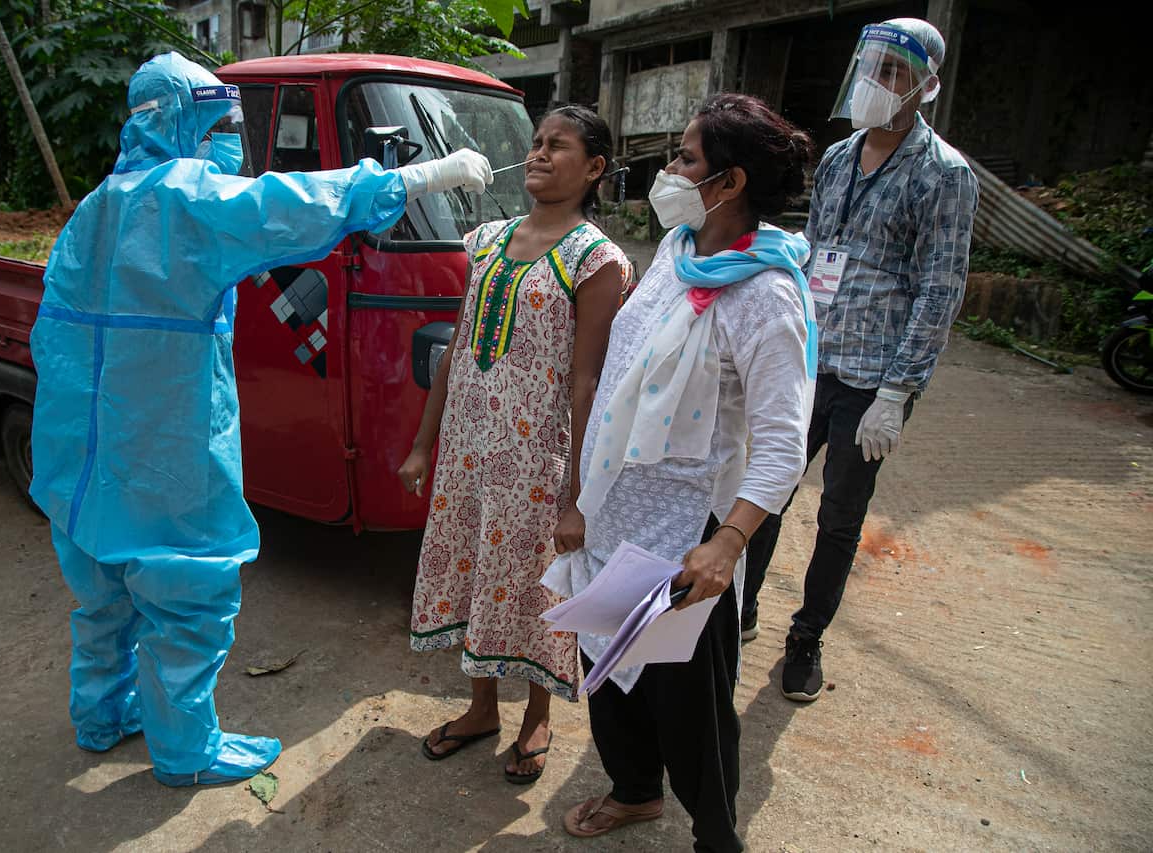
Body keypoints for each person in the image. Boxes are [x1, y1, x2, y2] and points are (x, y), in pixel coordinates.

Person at [30, 52, 491, 787]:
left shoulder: (98, 205)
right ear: (186, 121)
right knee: (187, 588)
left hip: (83, 437)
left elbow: (53, 331)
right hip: (164, 434)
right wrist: (416, 177)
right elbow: (291, 204)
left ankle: (101, 713)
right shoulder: (186, 198)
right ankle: (184, 750)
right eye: (217, 123)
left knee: (104, 587)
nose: (226, 141)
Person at [544, 93, 816, 850]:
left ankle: (716, 836)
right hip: (616, 508)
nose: (668, 170)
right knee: (609, 663)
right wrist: (579, 494)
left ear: (728, 183)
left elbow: (782, 442)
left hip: (687, 532)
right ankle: (634, 791)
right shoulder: (678, 249)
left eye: (685, 158)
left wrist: (728, 543)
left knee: (687, 697)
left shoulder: (766, 299)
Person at [741, 17, 979, 703]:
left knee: (840, 515)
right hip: (811, 359)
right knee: (769, 488)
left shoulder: (944, 174)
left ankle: (805, 638)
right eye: (872, 65)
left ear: (925, 86)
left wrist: (897, 392)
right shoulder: (841, 157)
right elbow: (816, 248)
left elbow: (941, 287)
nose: (879, 81)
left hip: (872, 376)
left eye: (895, 72)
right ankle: (744, 605)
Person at [398, 105, 630, 784]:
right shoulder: (488, 240)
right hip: (470, 449)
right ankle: (479, 709)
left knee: (535, 585)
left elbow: (588, 382)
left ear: (593, 169)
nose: (538, 154)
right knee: (474, 569)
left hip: (538, 459)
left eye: (558, 146)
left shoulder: (597, 259)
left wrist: (582, 497)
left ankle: (537, 716)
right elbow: (460, 348)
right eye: (535, 143)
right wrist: (423, 442)